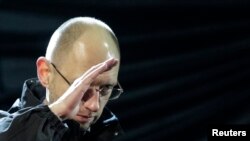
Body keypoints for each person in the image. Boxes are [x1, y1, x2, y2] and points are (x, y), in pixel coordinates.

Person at [0, 17, 124, 141]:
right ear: (45, 73)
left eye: (105, 89)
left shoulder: (109, 133)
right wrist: (53, 116)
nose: (94, 105)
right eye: (80, 85)